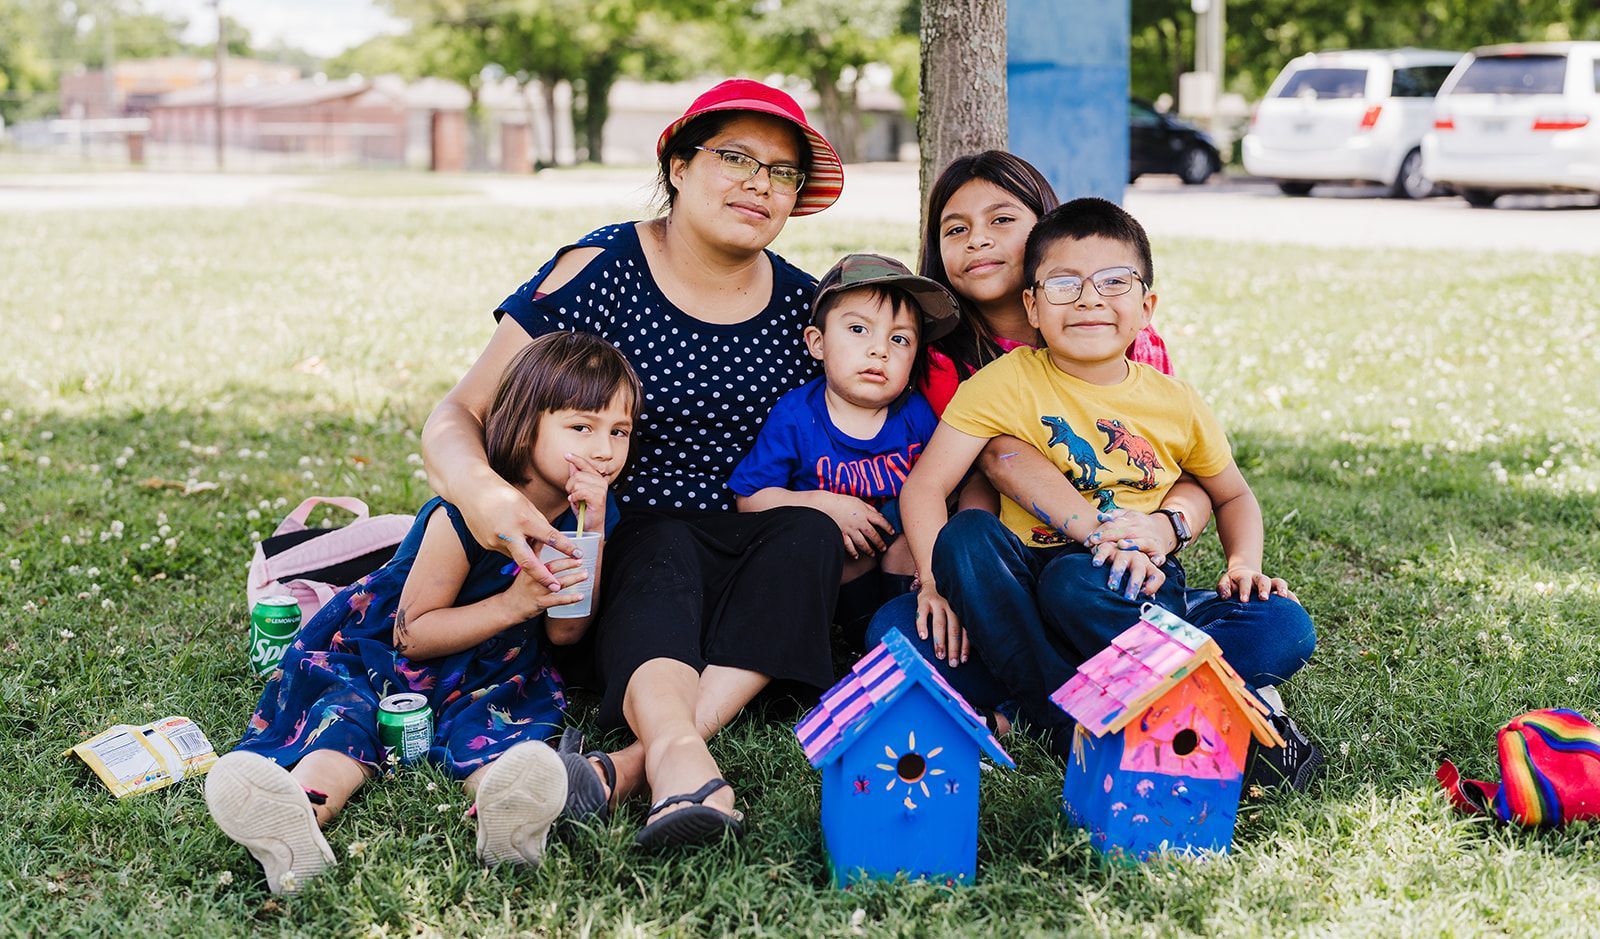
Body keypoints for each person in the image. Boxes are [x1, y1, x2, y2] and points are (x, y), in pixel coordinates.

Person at [419, 79, 847, 849]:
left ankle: (630, 766)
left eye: (783, 171)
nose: (760, 183)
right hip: (622, 564)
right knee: (664, 535)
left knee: (809, 534)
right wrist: (482, 492)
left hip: (745, 576)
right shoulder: (604, 267)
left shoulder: (804, 310)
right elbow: (460, 412)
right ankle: (678, 755)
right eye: (735, 158)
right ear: (678, 165)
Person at [898, 197, 1320, 783]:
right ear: (1033, 306)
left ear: (1147, 306)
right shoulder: (1004, 383)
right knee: (929, 588)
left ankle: (1043, 710)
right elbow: (926, 487)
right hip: (1022, 589)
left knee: (1282, 623)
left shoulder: (1175, 402)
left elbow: (1232, 495)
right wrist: (933, 582)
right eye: (1064, 284)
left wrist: (1244, 564)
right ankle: (1130, 708)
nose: (1089, 299)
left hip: (1127, 589)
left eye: (1114, 282)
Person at [204, 331, 637, 894]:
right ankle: (299, 814)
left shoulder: (591, 516)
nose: (604, 450)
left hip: (493, 670)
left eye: (619, 431)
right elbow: (411, 637)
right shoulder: (464, 513)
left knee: (499, 735)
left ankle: (507, 814)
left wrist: (591, 533)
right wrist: (512, 604)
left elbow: (566, 632)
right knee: (345, 720)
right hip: (383, 659)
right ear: (524, 424)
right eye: (582, 427)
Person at [868, 152, 1211, 730]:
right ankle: (1086, 695)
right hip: (999, 571)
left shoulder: (1121, 337)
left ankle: (1034, 695)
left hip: (1102, 571)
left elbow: (1186, 473)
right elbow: (966, 479)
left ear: (1045, 228)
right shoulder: (940, 360)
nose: (978, 240)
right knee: (893, 631)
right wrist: (936, 580)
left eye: (1002, 220)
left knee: (1271, 628)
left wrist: (1165, 526)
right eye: (956, 230)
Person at [727, 253, 959, 646]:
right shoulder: (796, 416)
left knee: (910, 536)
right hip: (836, 566)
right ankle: (854, 635)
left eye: (899, 339)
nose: (879, 350)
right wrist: (823, 504)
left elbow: (947, 484)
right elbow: (749, 498)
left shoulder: (915, 414)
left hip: (900, 559)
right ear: (817, 343)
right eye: (858, 329)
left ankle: (907, 629)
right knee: (827, 542)